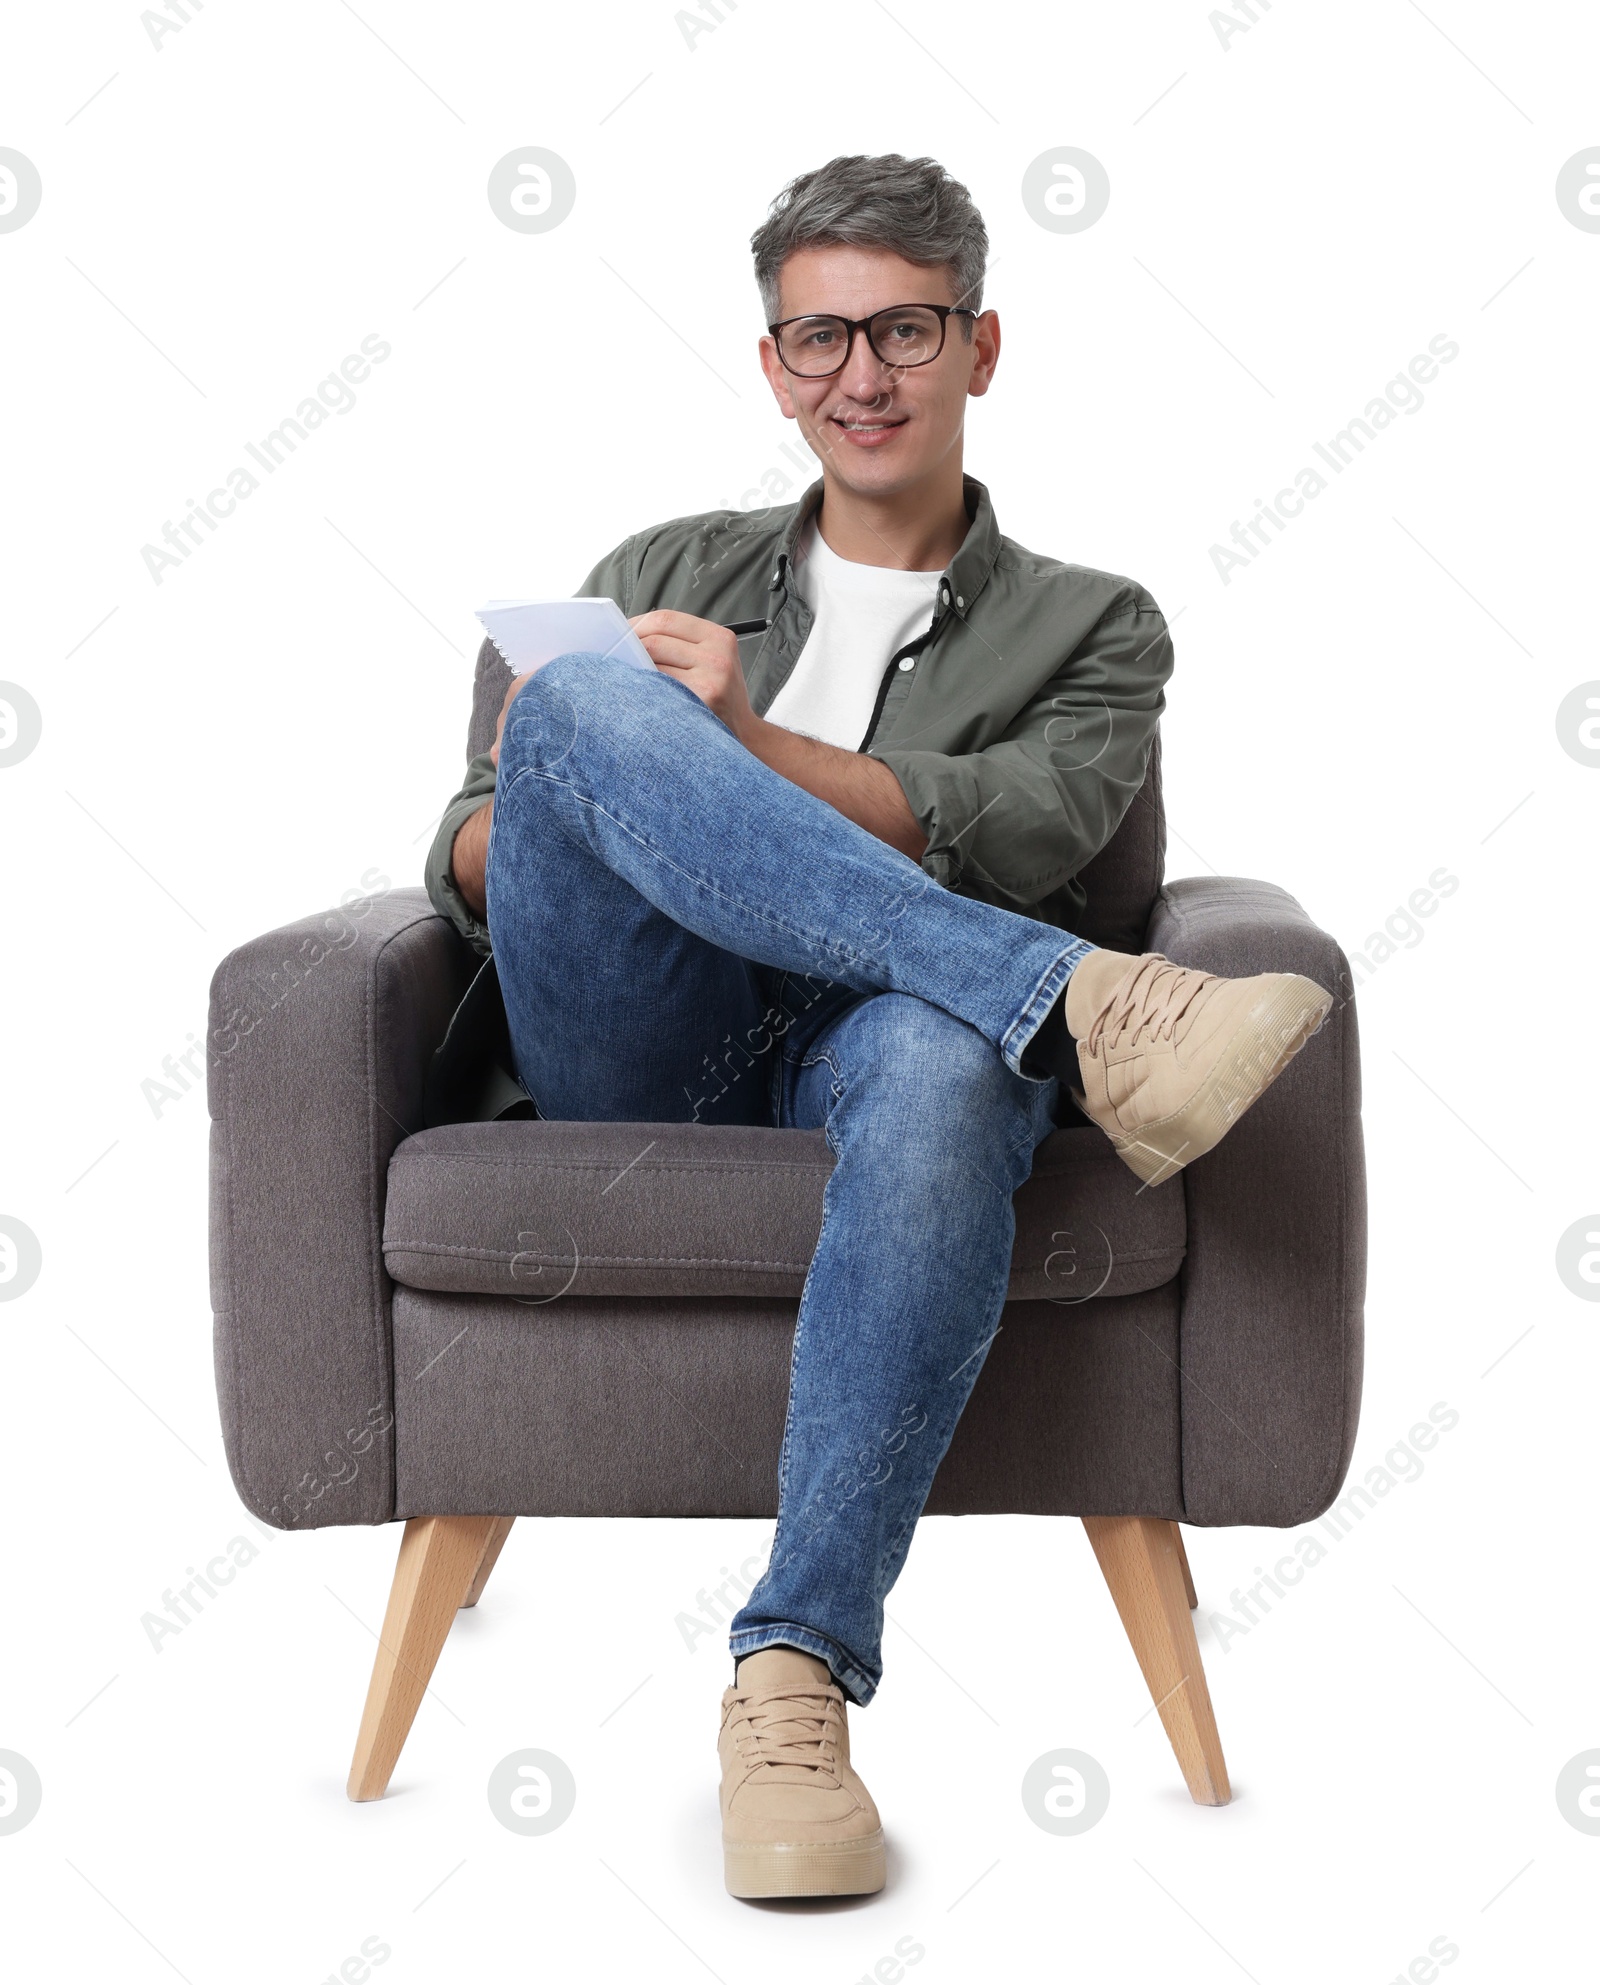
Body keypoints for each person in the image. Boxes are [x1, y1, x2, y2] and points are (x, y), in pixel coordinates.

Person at [424, 152, 1329, 1899]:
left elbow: (1026, 833)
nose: (862, 375)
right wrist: (591, 768)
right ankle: (1076, 1008)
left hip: (891, 1046)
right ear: (773, 363)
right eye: (818, 337)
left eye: (904, 329)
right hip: (644, 1043)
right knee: (593, 714)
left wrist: (737, 747)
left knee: (932, 1050)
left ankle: (794, 1674)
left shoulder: (1097, 624)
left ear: (981, 346)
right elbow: (469, 859)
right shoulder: (658, 565)